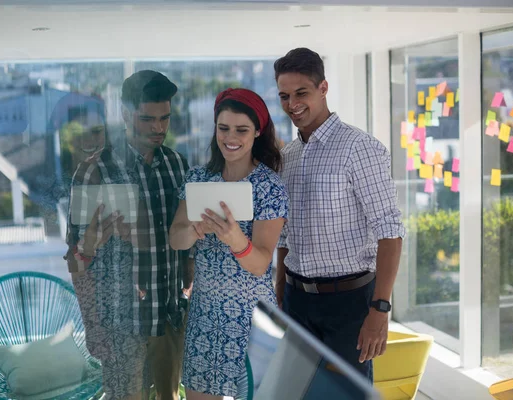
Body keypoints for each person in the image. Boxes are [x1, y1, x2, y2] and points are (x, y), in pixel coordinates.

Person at [274, 48, 406, 381]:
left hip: (348, 305)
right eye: (284, 96)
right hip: (295, 301)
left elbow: (389, 231)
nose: (293, 104)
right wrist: (280, 296)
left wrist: (381, 309)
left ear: (323, 88)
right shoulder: (287, 157)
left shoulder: (359, 148)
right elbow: (285, 236)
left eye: (301, 93)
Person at [64, 70, 191, 400]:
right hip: (120, 325)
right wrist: (93, 327)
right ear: (123, 113)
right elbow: (75, 259)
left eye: (164, 118)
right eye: (147, 119)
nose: (158, 128)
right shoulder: (94, 171)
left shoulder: (179, 167)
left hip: (169, 316)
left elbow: (187, 252)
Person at [169, 88, 289, 400]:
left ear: (257, 132)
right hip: (205, 316)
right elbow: (176, 239)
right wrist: (195, 230)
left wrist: (235, 239)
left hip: (252, 319)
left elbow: (261, 262)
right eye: (223, 128)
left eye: (241, 129)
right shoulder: (198, 178)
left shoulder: (269, 186)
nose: (230, 137)